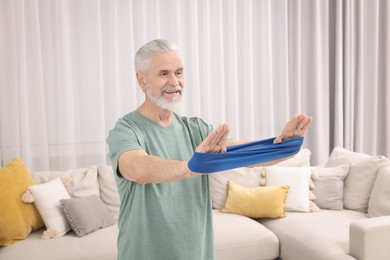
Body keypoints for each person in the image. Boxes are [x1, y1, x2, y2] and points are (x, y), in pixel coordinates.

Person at [106, 39, 312, 260]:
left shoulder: (195, 129)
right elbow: (138, 169)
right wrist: (192, 166)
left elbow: (241, 155)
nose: (175, 81)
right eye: (164, 73)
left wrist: (282, 146)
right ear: (141, 79)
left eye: (179, 72)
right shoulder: (125, 130)